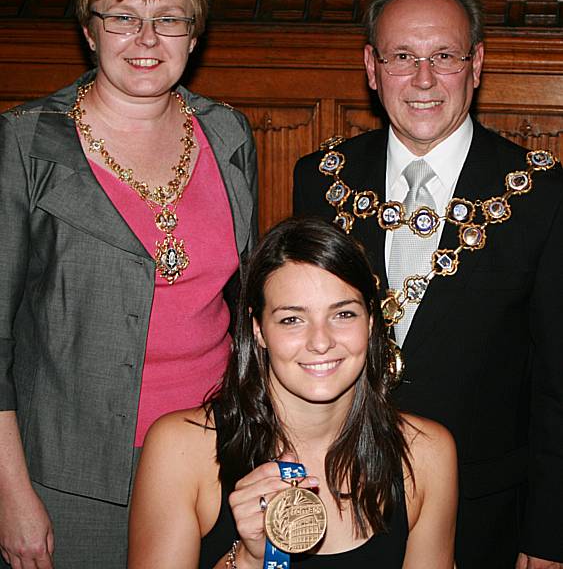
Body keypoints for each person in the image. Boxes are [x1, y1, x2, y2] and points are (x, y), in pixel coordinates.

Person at [0, 0, 257, 568]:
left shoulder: (227, 132)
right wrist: (10, 495)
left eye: (168, 19)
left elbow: (249, 298)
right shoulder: (26, 143)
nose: (146, 38)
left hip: (213, 454)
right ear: (91, 31)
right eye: (122, 16)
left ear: (193, 36)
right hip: (70, 478)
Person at [293, 0, 563, 569]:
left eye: (444, 56)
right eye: (402, 57)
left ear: (477, 65)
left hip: (485, 512)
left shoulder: (542, 195)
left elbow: (558, 385)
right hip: (338, 501)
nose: (423, 79)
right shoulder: (321, 179)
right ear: (372, 66)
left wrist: (548, 535)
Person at [128, 216, 457, 568]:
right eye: (292, 319)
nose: (320, 341)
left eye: (343, 314)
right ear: (258, 330)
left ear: (372, 323)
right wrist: (252, 560)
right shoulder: (182, 450)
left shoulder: (426, 454)